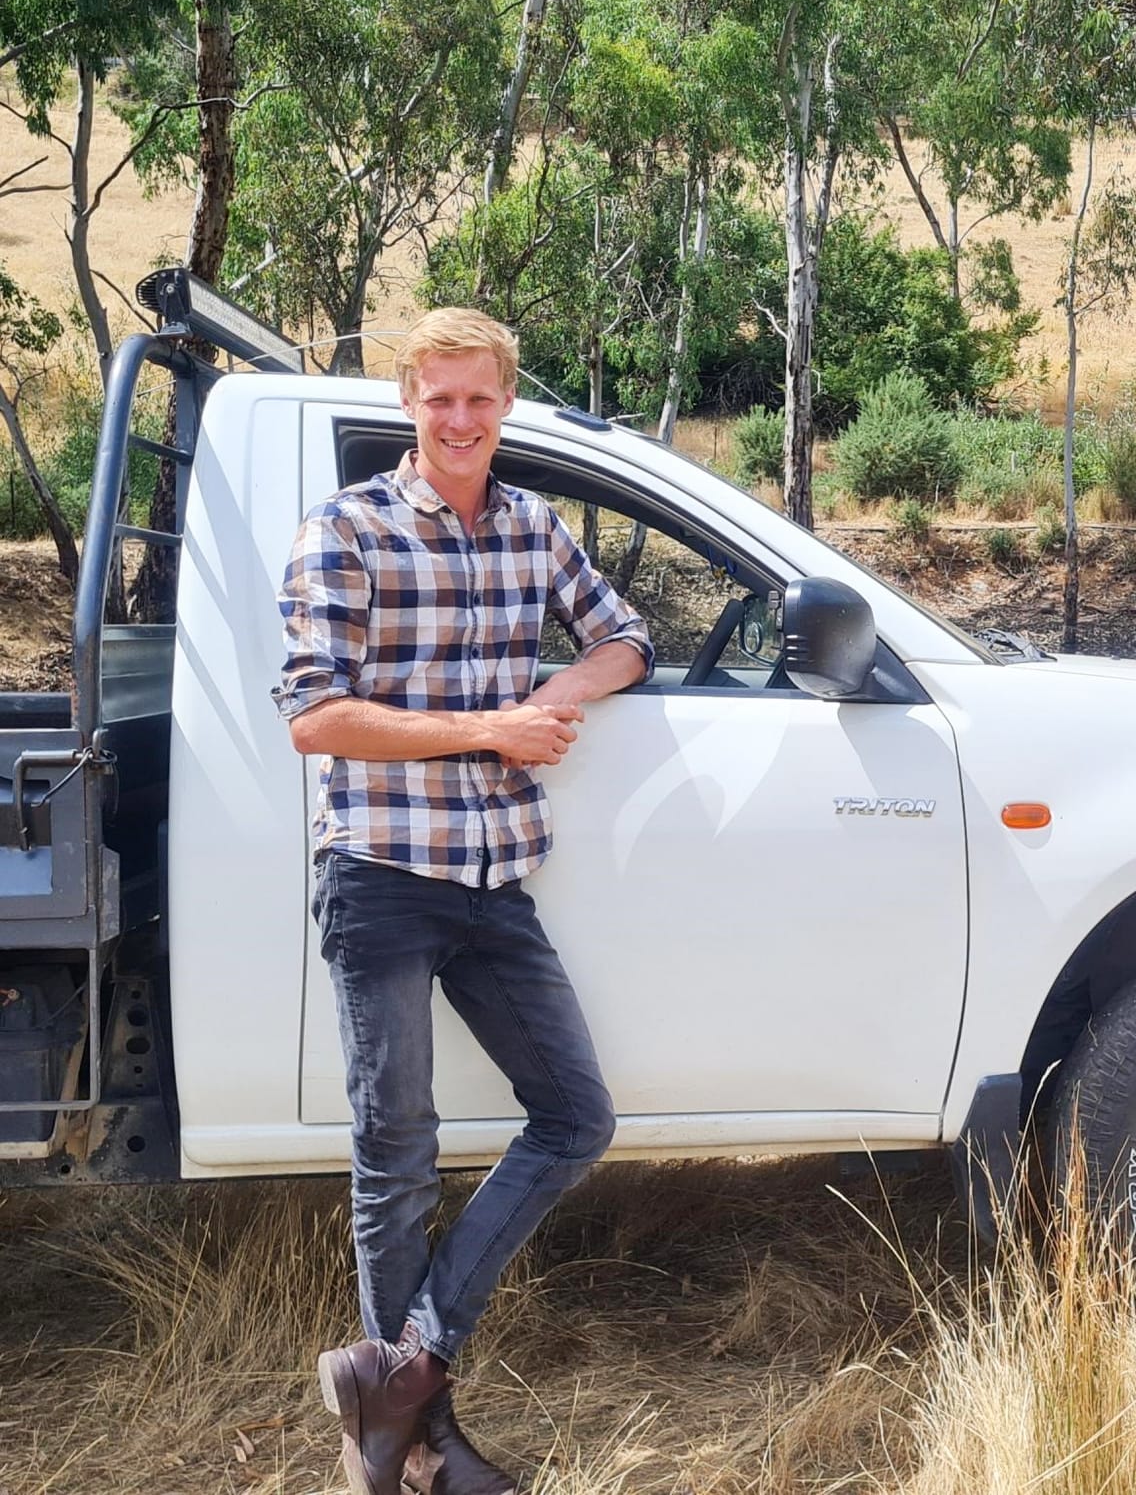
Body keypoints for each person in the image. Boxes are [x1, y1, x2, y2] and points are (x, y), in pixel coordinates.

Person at [273, 308, 652, 1495]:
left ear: (505, 404)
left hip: (495, 875)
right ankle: (421, 1453)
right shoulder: (347, 529)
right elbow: (315, 716)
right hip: (382, 874)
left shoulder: (532, 526)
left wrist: (558, 687)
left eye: (478, 399)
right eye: (438, 397)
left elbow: (627, 637)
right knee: (396, 1151)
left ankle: (405, 1366)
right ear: (406, 402)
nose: (459, 418)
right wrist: (487, 727)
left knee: (575, 1116)